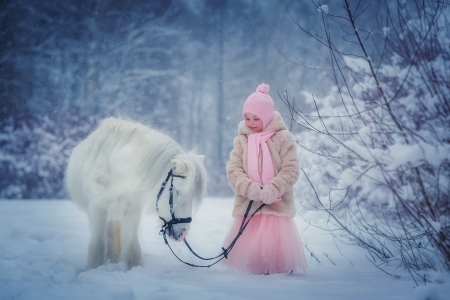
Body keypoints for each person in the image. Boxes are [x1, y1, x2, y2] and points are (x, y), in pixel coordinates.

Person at [222, 83, 308, 275]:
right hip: (249, 206)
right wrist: (247, 187)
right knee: (253, 259)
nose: (250, 122)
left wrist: (275, 187)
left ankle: (277, 277)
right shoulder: (242, 140)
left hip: (276, 206)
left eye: (256, 118)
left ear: (268, 117)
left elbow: (291, 168)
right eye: (247, 118)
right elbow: (234, 169)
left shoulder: (283, 138)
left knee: (275, 249)